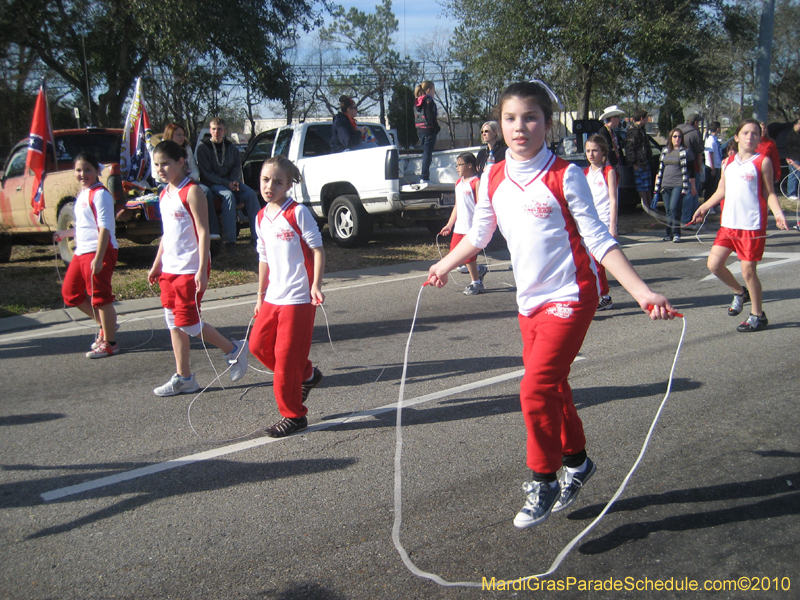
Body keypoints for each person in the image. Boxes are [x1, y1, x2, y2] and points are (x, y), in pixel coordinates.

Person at [427, 81, 676, 530]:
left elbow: (599, 239)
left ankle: (543, 479)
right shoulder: (494, 176)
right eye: (510, 118)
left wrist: (642, 292)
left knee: (535, 389)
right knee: (555, 387)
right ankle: (578, 462)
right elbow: (479, 235)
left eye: (530, 118)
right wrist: (444, 264)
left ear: (547, 123)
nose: (519, 127)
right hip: (529, 301)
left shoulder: (567, 175)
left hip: (570, 295)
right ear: (498, 125)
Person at [148, 140, 249, 396]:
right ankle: (184, 378)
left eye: (166, 164)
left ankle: (233, 349)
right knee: (173, 322)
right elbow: (166, 234)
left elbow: (204, 232)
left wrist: (202, 269)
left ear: (181, 162)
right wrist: (157, 263)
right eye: (157, 164)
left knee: (189, 324)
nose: (161, 169)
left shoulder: (192, 191)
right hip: (169, 270)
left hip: (189, 269)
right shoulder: (163, 194)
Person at [249, 155, 325, 437]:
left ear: (289, 185)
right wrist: (260, 295)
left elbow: (317, 250)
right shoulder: (260, 217)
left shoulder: (298, 212)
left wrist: (315, 285)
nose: (270, 186)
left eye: (278, 182)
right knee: (258, 346)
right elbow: (264, 257)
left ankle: (293, 415)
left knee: (284, 362)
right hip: (273, 297)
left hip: (298, 299)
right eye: (266, 180)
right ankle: (306, 374)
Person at [689, 119, 788, 332]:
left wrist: (778, 214)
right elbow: (721, 190)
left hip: (751, 226)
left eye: (754, 134)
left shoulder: (762, 162)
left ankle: (758, 315)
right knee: (714, 265)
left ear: (758, 138)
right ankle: (739, 292)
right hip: (728, 225)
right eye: (745, 133)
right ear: (736, 137)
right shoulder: (728, 163)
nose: (750, 137)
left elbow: (770, 192)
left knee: (749, 272)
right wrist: (703, 207)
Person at [60, 152, 120, 358]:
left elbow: (104, 228)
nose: (82, 174)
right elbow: (85, 225)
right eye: (78, 170)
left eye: (87, 170)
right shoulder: (83, 193)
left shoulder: (101, 194)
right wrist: (65, 234)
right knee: (71, 293)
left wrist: (99, 257)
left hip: (99, 250)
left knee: (101, 298)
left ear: (96, 171)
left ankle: (110, 342)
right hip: (81, 251)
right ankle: (105, 326)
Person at [196, 117, 261, 252]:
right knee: (228, 196)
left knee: (250, 194)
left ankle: (257, 237)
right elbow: (206, 173)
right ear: (210, 130)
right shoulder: (203, 148)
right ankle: (231, 241)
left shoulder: (231, 148)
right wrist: (227, 184)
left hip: (230, 181)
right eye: (214, 129)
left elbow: (237, 167)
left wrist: (235, 181)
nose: (216, 132)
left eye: (219, 129)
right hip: (213, 183)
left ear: (224, 130)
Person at [157, 123, 221, 241]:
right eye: (178, 135)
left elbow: (194, 168)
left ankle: (212, 231)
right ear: (170, 135)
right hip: (168, 183)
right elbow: (156, 174)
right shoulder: (161, 149)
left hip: (187, 181)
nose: (182, 137)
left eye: (183, 134)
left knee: (206, 191)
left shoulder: (186, 148)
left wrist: (190, 179)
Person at [438, 152, 487, 295]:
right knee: (455, 255)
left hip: (471, 226)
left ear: (470, 165)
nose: (457, 168)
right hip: (460, 226)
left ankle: (476, 283)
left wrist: (479, 224)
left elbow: (480, 205)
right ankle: (479, 270)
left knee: (469, 257)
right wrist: (449, 225)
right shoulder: (458, 183)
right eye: (457, 165)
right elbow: (457, 206)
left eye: (460, 164)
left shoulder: (476, 182)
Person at [583, 134, 618, 311]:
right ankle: (599, 294)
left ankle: (604, 296)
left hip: (603, 222)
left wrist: (613, 226)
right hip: (589, 223)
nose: (591, 154)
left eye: (595, 150)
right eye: (588, 150)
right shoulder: (585, 173)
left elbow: (613, 199)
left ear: (603, 152)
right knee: (589, 262)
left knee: (598, 262)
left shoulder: (608, 171)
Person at [653, 128, 696, 243]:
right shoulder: (665, 151)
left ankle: (677, 233)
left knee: (674, 208)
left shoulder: (685, 152)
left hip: (678, 183)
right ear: (670, 138)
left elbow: (691, 171)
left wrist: (693, 186)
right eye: (675, 136)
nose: (677, 139)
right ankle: (669, 233)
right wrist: (656, 187)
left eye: (679, 137)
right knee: (668, 210)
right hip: (665, 184)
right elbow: (660, 169)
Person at [677, 113, 704, 225]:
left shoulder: (677, 129)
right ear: (696, 123)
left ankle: (682, 217)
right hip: (691, 165)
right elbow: (698, 153)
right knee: (692, 191)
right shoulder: (695, 133)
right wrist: (700, 168)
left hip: (677, 165)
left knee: (682, 192)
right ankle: (689, 219)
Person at [624, 109, 652, 208]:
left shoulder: (641, 129)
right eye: (646, 118)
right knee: (641, 186)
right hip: (638, 163)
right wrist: (633, 163)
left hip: (645, 161)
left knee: (648, 185)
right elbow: (629, 148)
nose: (647, 120)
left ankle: (651, 206)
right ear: (642, 118)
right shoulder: (633, 130)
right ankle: (646, 206)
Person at [414, 81, 440, 184]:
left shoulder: (417, 101)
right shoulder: (429, 101)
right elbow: (431, 117)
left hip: (420, 129)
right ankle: (424, 177)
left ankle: (423, 175)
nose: (434, 92)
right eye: (433, 90)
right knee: (427, 154)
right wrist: (436, 128)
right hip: (428, 130)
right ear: (429, 90)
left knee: (424, 152)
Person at [597, 105, 626, 171]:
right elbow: (606, 149)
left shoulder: (613, 131)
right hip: (608, 165)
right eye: (618, 117)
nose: (619, 119)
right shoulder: (603, 131)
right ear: (613, 118)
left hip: (616, 164)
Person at [704, 121, 722, 199]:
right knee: (710, 187)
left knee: (715, 186)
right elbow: (710, 154)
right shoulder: (711, 140)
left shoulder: (715, 139)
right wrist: (712, 168)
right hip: (712, 166)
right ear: (717, 129)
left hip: (717, 165)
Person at [784, 118, 800, 201]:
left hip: (799, 157)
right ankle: (791, 193)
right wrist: (788, 158)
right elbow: (787, 148)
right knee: (794, 175)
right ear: (795, 125)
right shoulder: (790, 135)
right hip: (793, 158)